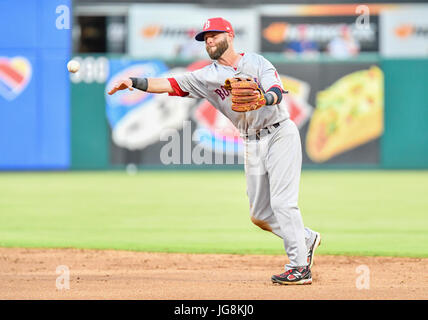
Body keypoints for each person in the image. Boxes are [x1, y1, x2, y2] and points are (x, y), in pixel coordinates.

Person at [108, 17, 321, 285]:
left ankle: (299, 267)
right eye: (205, 37)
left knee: (282, 202)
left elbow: (277, 91)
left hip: (279, 132)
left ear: (229, 36)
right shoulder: (205, 77)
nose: (209, 40)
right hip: (252, 141)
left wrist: (263, 98)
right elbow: (169, 84)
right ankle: (305, 238)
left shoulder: (257, 62)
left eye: (214, 35)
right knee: (260, 215)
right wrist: (133, 81)